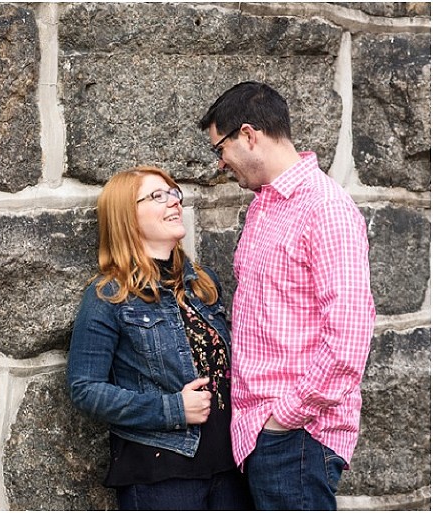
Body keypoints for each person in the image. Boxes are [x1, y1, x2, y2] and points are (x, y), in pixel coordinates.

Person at [198, 81, 376, 510]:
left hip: (295, 437)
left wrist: (285, 417)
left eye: (219, 148)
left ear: (249, 135)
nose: (220, 164)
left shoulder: (325, 208)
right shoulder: (265, 205)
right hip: (264, 433)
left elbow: (348, 339)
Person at [66, 165, 253, 510]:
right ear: (127, 217)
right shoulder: (109, 296)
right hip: (163, 476)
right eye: (157, 196)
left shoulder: (203, 284)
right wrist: (172, 409)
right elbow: (85, 387)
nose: (174, 202)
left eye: (173, 193)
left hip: (230, 469)